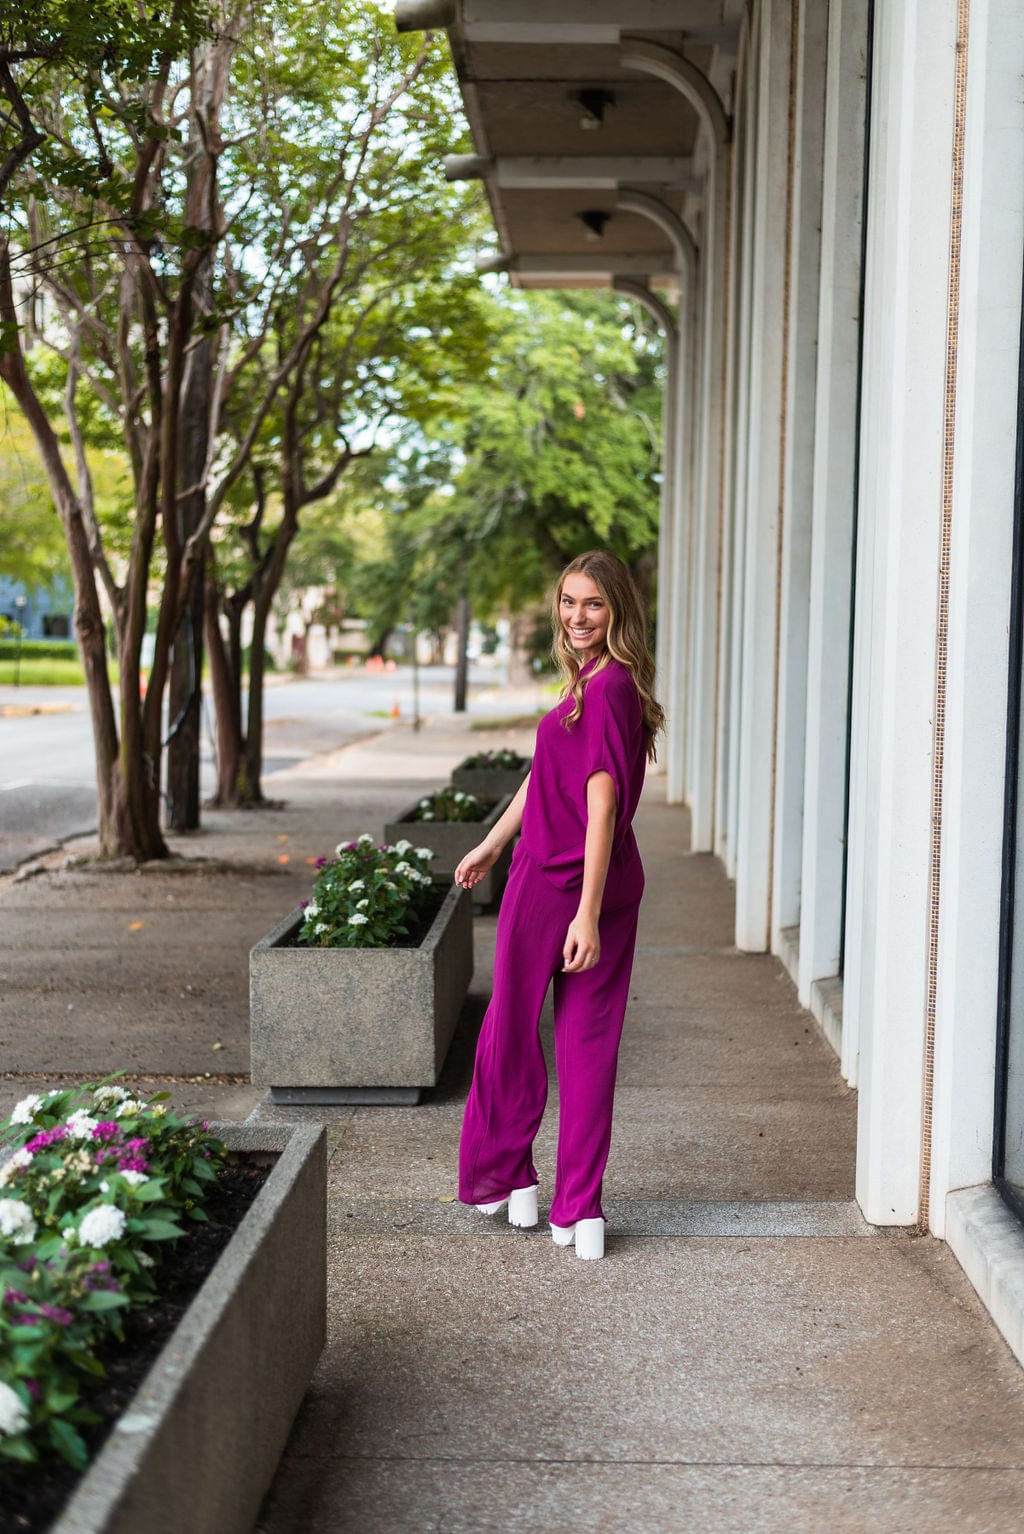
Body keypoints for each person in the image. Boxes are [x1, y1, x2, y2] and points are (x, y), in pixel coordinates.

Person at [454, 550, 665, 1260]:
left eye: (594, 605)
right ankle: (580, 1211)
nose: (578, 616)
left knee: (509, 1032)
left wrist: (583, 912)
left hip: (558, 883)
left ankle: (503, 1174)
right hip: (601, 882)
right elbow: (549, 775)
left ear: (618, 612)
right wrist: (490, 845)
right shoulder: (606, 682)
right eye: (570, 602)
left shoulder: (606, 689)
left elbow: (601, 806)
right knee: (587, 1046)